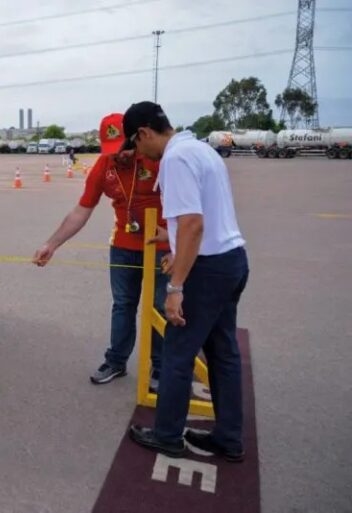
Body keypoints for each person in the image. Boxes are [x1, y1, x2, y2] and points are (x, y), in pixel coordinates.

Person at [121, 102, 249, 462]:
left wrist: (176, 287)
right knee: (223, 353)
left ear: (144, 133)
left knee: (177, 352)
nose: (137, 153)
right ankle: (228, 438)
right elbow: (200, 219)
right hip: (232, 260)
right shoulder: (201, 149)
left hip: (207, 272)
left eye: (134, 143)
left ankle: (167, 435)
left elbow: (194, 223)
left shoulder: (175, 160)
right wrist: (172, 239)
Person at [32, 113, 170, 387]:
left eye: (122, 147)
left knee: (160, 307)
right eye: (111, 149)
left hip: (162, 247)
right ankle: (117, 361)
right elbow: (81, 210)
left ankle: (161, 366)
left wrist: (177, 244)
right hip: (123, 247)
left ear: (137, 137)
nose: (118, 155)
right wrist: (52, 244)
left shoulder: (160, 160)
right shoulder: (104, 166)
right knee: (123, 305)